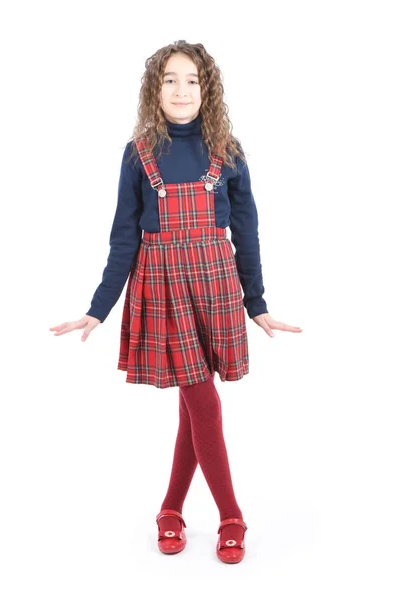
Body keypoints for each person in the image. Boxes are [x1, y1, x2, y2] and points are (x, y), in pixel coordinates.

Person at [49, 40, 302, 564]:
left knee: (195, 404)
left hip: (216, 283)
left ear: (206, 88)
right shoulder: (139, 152)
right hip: (161, 283)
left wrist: (256, 301)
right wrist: (98, 307)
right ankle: (232, 516)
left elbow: (247, 230)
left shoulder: (227, 150)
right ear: (154, 88)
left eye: (191, 79)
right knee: (203, 398)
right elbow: (124, 236)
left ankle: (170, 509)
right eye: (170, 79)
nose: (181, 89)